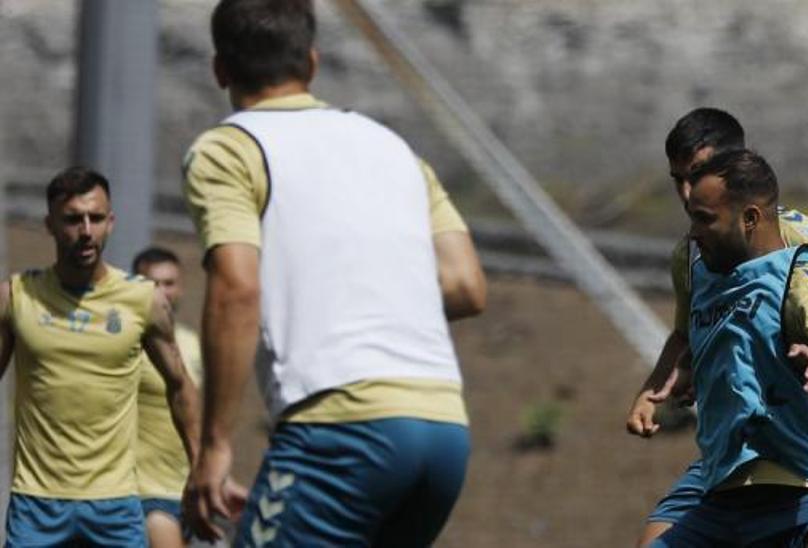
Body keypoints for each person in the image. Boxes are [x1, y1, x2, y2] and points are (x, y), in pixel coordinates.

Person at [182, 0, 487, 544]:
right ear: (313, 62)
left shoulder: (228, 149)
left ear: (220, 70)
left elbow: (235, 289)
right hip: (443, 430)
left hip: (343, 427)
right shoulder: (393, 148)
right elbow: (466, 285)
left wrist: (215, 445)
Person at [627, 108, 808, 545]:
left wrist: (782, 348)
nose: (686, 190)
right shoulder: (692, 254)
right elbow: (686, 336)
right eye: (678, 179)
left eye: (695, 174)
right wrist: (663, 382)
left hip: (799, 451)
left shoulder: (795, 242)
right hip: (730, 458)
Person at [0, 167, 200, 546]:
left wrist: (201, 466)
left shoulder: (143, 300)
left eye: (96, 218)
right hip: (37, 504)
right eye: (73, 219)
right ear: (51, 224)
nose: (86, 230)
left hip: (115, 505)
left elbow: (180, 386)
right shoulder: (17, 296)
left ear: (111, 222)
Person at [132, 247, 203, 548]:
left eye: (169, 283)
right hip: (145, 490)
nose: (162, 292)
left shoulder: (192, 343)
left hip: (188, 490)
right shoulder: (126, 346)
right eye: (152, 283)